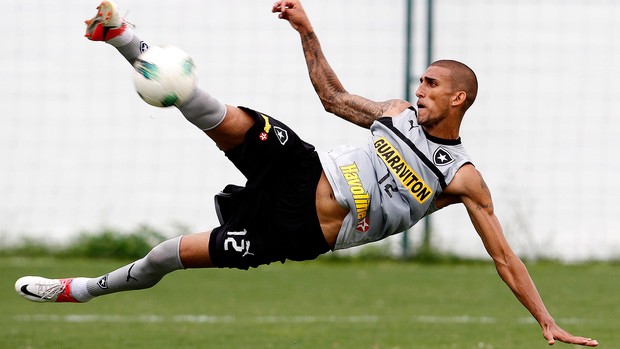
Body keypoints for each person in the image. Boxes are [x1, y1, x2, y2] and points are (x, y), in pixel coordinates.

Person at [15, 0, 598, 346]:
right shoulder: (395, 114)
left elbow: (504, 257)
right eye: (419, 81)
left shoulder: (463, 178)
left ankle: (80, 292)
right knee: (204, 105)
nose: (418, 91)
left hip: (296, 233)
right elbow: (333, 99)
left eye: (431, 85)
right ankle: (120, 35)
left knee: (169, 254)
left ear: (459, 100)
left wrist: (546, 322)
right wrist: (307, 32)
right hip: (299, 164)